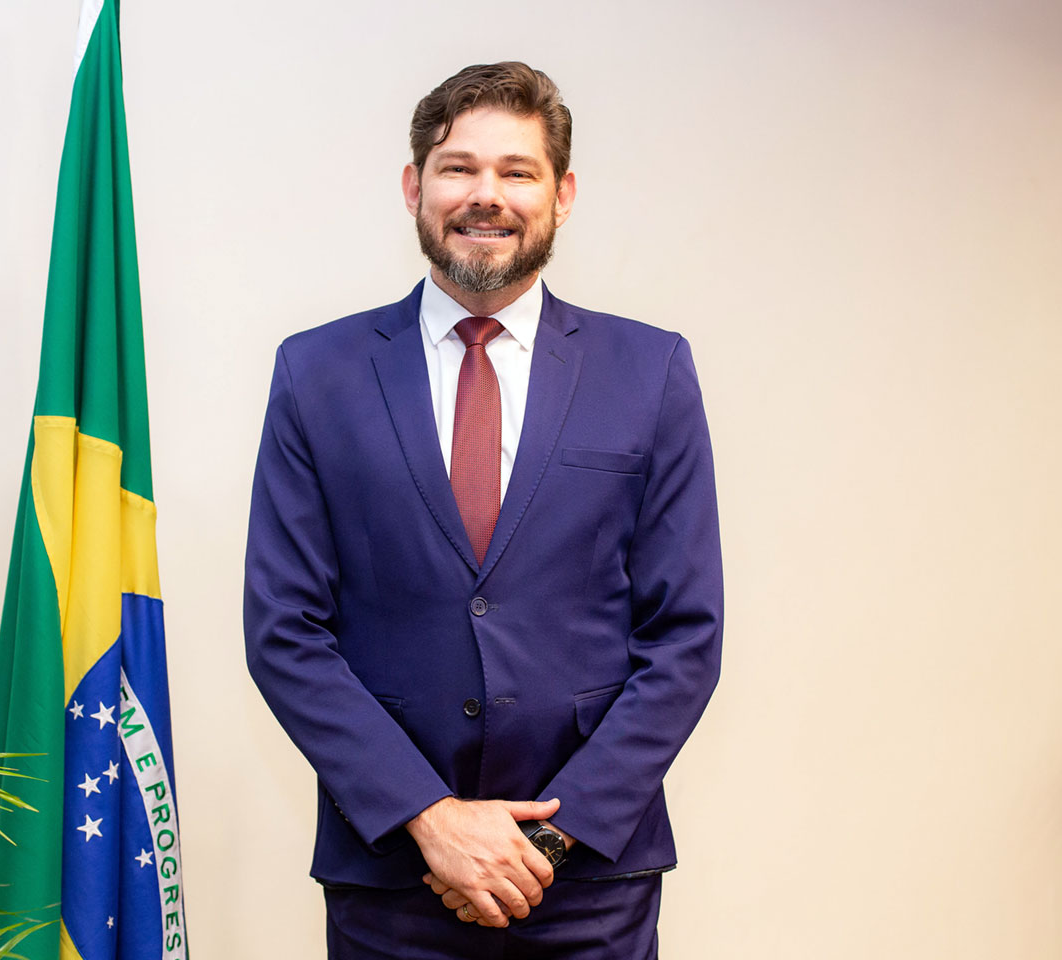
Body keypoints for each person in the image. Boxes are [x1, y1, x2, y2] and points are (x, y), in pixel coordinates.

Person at [244, 61, 723, 959]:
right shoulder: (316, 373)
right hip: (393, 877)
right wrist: (428, 817)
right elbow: (285, 631)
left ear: (562, 195)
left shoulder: (650, 372)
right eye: (458, 167)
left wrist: (550, 841)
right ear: (413, 186)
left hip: (588, 883)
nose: (485, 195)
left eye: (517, 171)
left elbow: (685, 637)